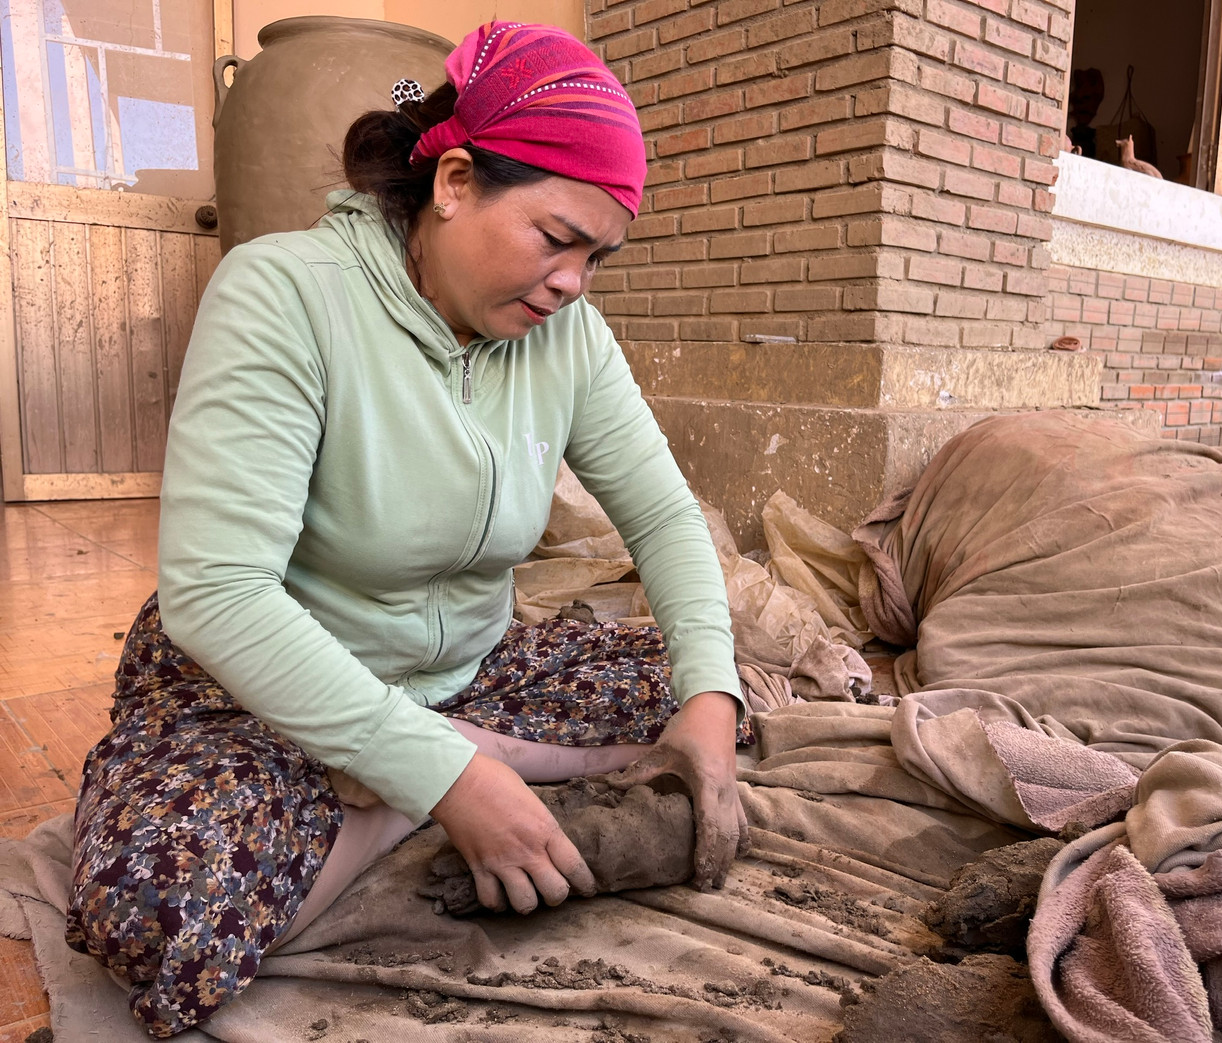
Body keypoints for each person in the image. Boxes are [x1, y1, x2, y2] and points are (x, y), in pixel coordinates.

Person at [64, 21, 747, 1037]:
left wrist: (708, 707)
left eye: (596, 259)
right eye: (556, 239)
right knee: (155, 907)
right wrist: (441, 774)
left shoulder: (571, 338)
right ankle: (428, 779)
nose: (571, 283)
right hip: (267, 688)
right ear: (458, 180)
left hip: (471, 670)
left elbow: (659, 516)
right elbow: (221, 591)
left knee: (704, 689)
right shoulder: (285, 293)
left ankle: (432, 767)